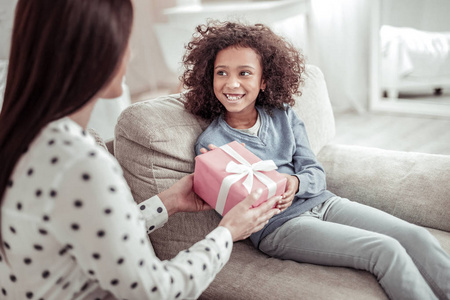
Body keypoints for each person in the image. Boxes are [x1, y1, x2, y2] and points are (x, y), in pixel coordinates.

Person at [0, 2, 282, 299]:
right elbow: (155, 291)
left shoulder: (25, 138)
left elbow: (94, 237)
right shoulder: (80, 163)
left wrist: (167, 202)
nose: (130, 55)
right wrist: (227, 233)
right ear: (95, 51)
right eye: (126, 41)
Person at [181, 20, 450, 300]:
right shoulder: (211, 145)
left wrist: (295, 182)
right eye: (221, 72)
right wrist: (220, 177)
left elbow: (315, 174)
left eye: (244, 73)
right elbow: (239, 212)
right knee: (385, 250)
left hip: (324, 202)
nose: (231, 83)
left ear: (263, 81)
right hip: (281, 227)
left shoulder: (283, 115)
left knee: (416, 237)